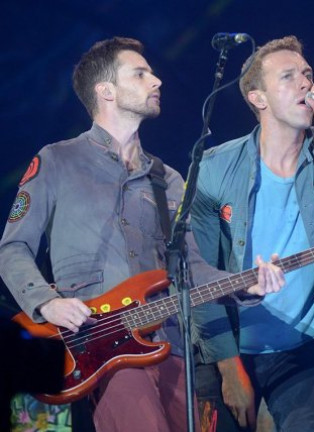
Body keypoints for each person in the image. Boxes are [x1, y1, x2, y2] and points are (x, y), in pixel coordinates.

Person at [0, 36, 284, 432]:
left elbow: (193, 270)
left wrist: (247, 285)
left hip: (170, 343)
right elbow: (12, 247)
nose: (157, 80)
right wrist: (45, 303)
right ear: (106, 91)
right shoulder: (57, 160)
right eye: (141, 73)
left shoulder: (166, 178)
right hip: (100, 346)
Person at [190, 35, 314, 431]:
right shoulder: (214, 167)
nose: (306, 84)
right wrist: (231, 372)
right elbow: (198, 272)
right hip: (226, 347)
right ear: (258, 98)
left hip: (304, 348)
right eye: (289, 77)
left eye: (308, 74)